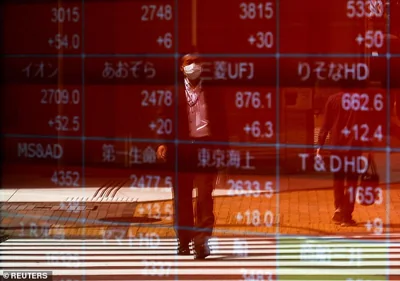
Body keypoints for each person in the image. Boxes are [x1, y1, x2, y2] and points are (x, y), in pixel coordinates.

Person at [157, 53, 224, 259]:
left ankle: (202, 242)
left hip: (206, 147)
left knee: (204, 196)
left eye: (196, 62)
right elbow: (164, 118)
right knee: (182, 198)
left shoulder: (212, 92)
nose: (193, 66)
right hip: (181, 150)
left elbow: (223, 121)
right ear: (181, 68)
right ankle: (184, 240)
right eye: (189, 62)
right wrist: (162, 142)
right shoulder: (173, 93)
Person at [316, 91, 369, 226]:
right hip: (353, 147)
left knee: (338, 179)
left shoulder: (332, 99)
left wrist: (320, 144)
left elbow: (326, 123)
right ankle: (346, 215)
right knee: (351, 182)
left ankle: (339, 208)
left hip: (336, 146)